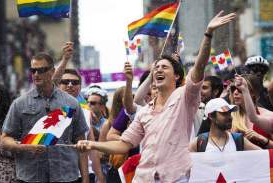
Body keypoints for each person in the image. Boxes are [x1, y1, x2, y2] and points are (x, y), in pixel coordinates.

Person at [76, 11, 237, 182]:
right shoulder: (145, 112)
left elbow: (198, 68)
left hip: (176, 177)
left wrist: (208, 34)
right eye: (156, 68)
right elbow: (123, 144)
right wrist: (92, 144)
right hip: (144, 178)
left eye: (164, 67)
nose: (158, 70)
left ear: (176, 76)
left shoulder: (185, 97)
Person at [1, 52, 89, 183]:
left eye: (41, 70)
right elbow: (5, 139)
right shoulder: (19, 103)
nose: (36, 74)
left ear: (52, 71)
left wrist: (86, 179)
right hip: (31, 176)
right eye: (33, 70)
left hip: (65, 176)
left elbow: (80, 141)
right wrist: (25, 147)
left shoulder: (71, 103)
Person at [59, 68, 105, 183]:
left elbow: (91, 148)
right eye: (65, 82)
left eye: (74, 82)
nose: (70, 85)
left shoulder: (86, 112)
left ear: (79, 87)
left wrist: (100, 176)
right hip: (59, 175)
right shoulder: (50, 112)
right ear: (58, 85)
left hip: (84, 175)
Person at [189, 98, 260, 152]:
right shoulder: (199, 142)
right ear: (211, 116)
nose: (230, 117)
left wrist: (264, 140)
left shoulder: (238, 140)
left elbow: (264, 157)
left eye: (229, 113)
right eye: (224, 113)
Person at [230, 74, 273, 149]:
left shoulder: (268, 115)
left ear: (253, 93)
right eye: (233, 88)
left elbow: (253, 118)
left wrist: (263, 139)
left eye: (240, 89)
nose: (235, 92)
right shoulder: (228, 117)